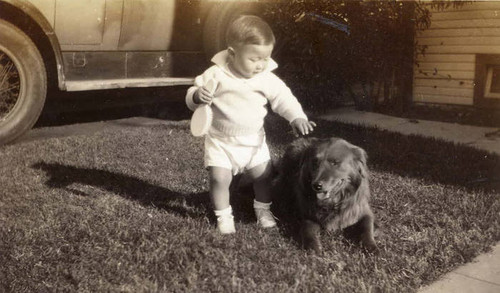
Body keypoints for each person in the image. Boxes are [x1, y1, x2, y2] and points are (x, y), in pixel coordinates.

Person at [186, 15, 315, 234]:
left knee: (263, 176)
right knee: (219, 178)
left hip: (253, 139)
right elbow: (191, 95)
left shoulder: (266, 78)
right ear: (232, 54)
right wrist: (198, 95)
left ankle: (263, 210)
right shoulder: (216, 74)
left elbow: (283, 98)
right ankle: (224, 216)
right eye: (254, 59)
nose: (260, 65)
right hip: (221, 140)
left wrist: (296, 116)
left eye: (265, 58)